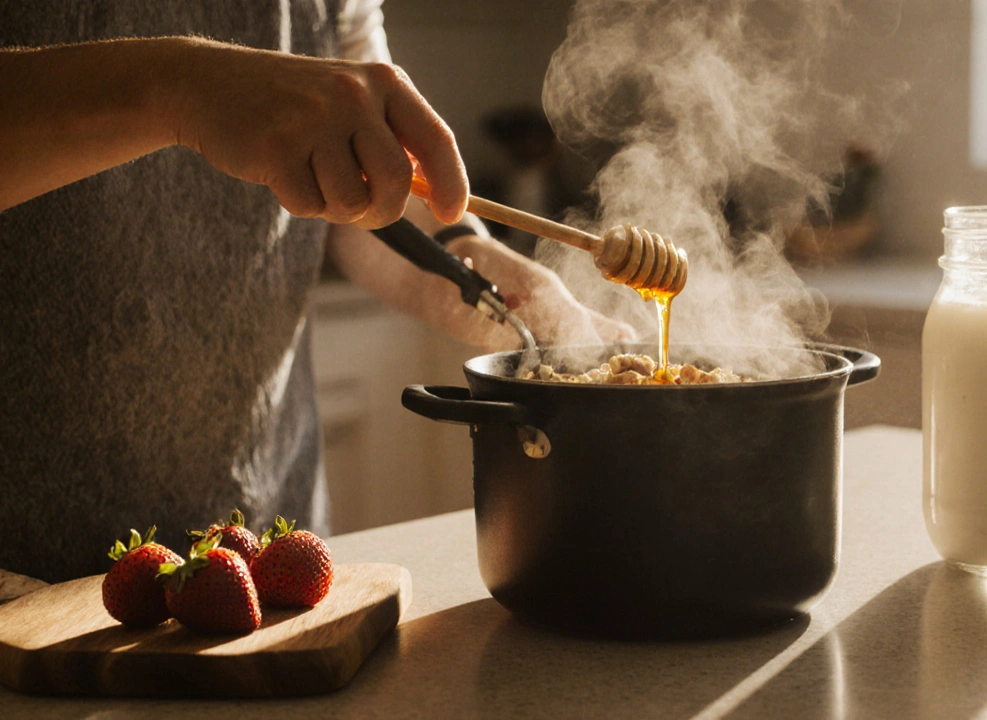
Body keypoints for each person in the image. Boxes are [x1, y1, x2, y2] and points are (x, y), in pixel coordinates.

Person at [0, 1, 631, 583]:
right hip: (22, 577)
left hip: (272, 554)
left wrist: (479, 262)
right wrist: (182, 85)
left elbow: (371, 194)